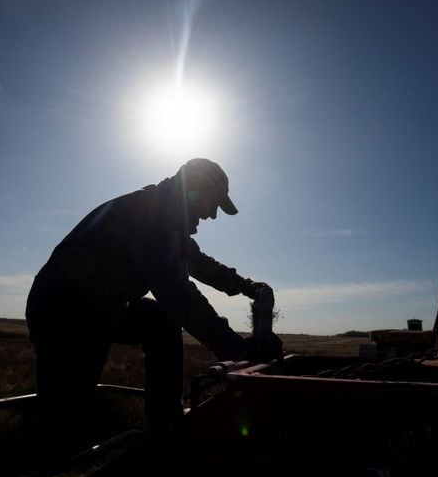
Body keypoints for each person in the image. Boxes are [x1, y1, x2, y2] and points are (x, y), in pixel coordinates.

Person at [25, 158, 283, 445]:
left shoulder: (167, 219)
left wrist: (247, 286)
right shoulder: (149, 216)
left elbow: (199, 263)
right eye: (212, 204)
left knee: (160, 321)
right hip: (64, 313)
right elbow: (177, 293)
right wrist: (237, 348)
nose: (211, 215)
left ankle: (166, 426)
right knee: (61, 420)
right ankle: (28, 467)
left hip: (101, 309)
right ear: (193, 191)